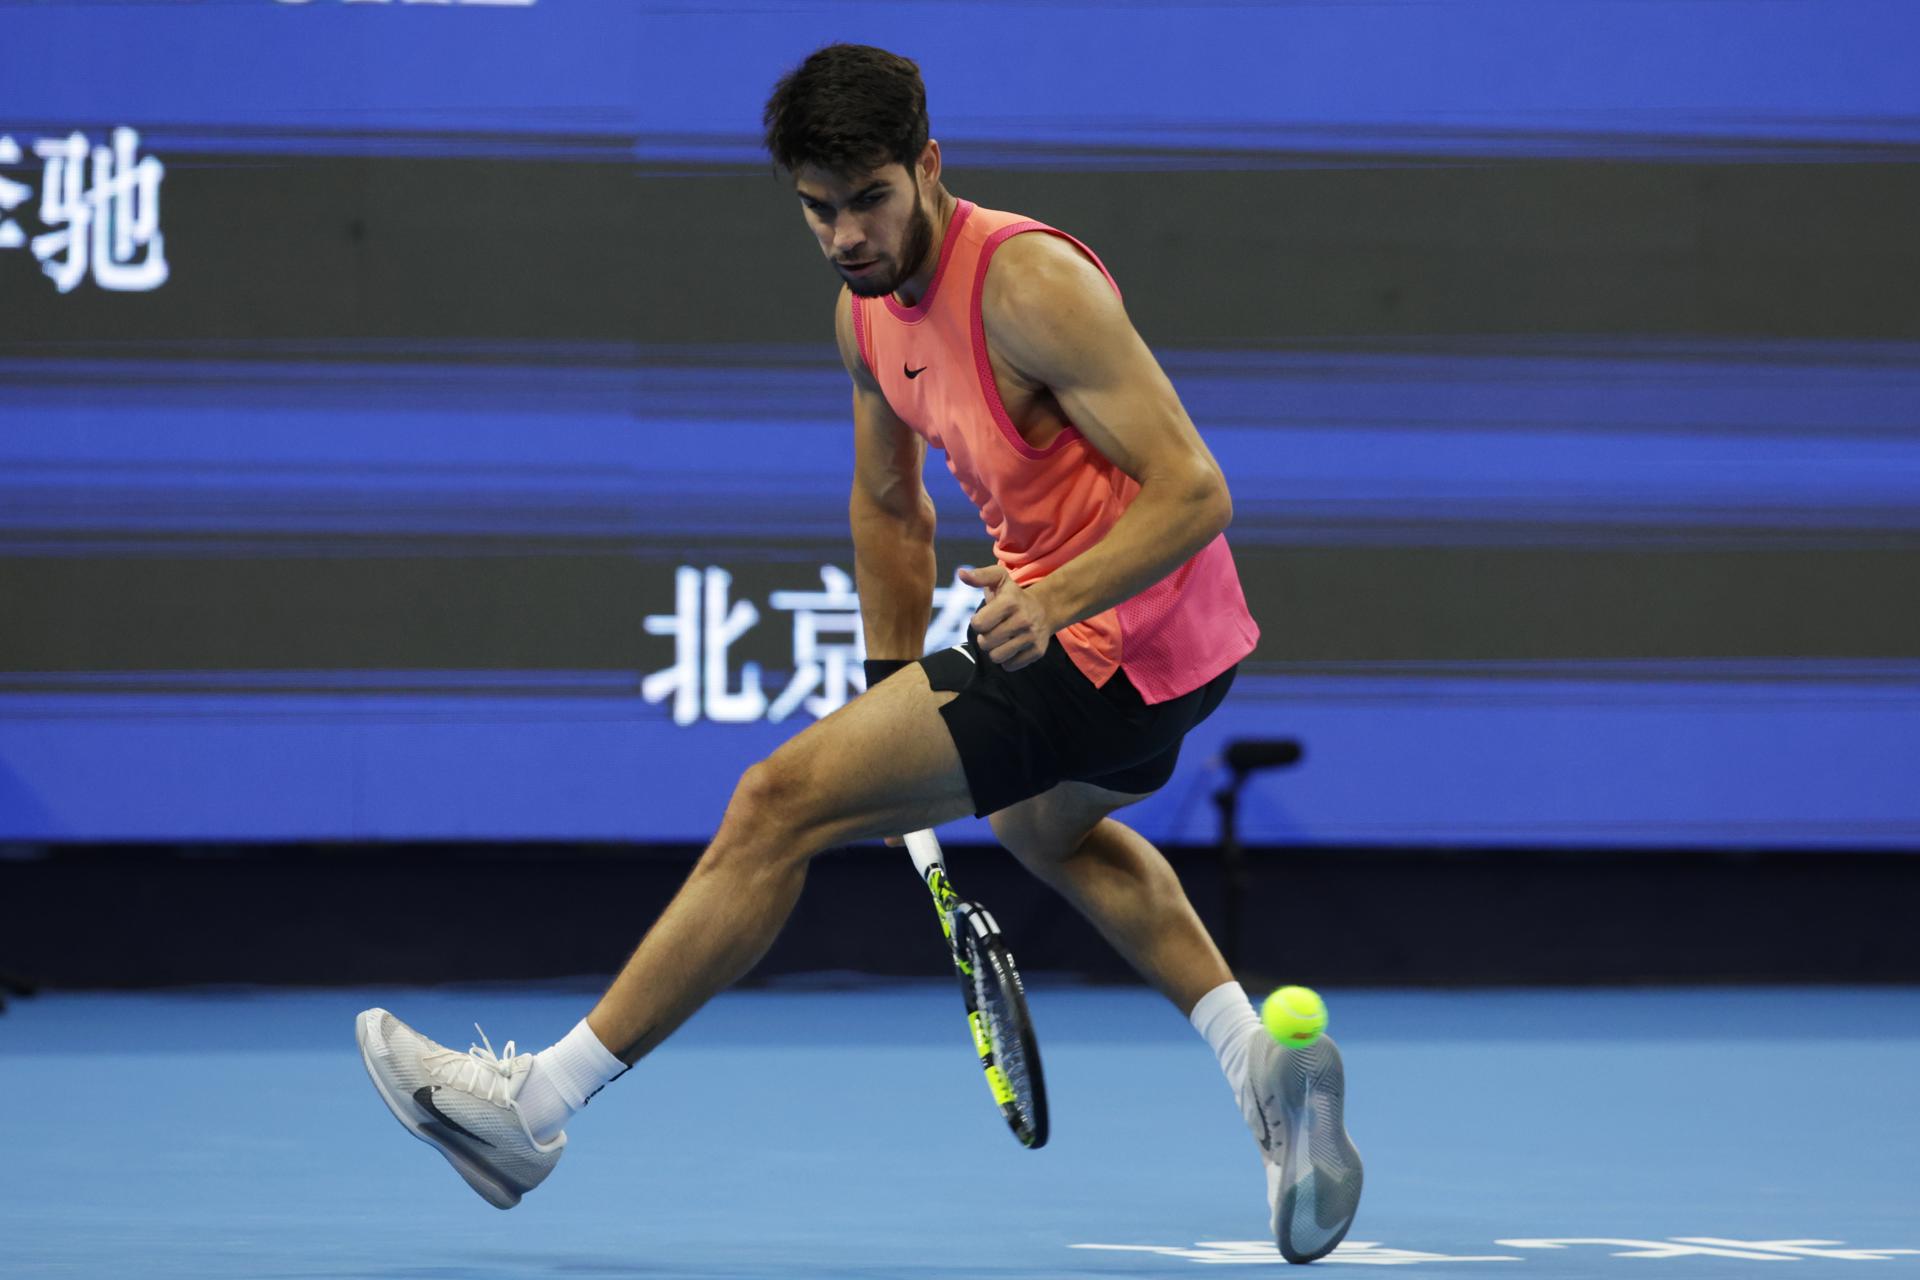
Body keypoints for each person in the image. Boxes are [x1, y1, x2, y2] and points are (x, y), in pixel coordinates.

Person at [355, 42, 1362, 1265]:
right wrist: (896, 696)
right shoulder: (861, 316)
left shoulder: (1028, 285)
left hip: (1108, 634)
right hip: (1174, 657)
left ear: (928, 167)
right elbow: (890, 511)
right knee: (1051, 834)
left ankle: (530, 1112)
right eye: (817, 209)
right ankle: (1259, 1064)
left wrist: (1058, 599)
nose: (844, 234)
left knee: (773, 803)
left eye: (869, 198)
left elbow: (1197, 491)